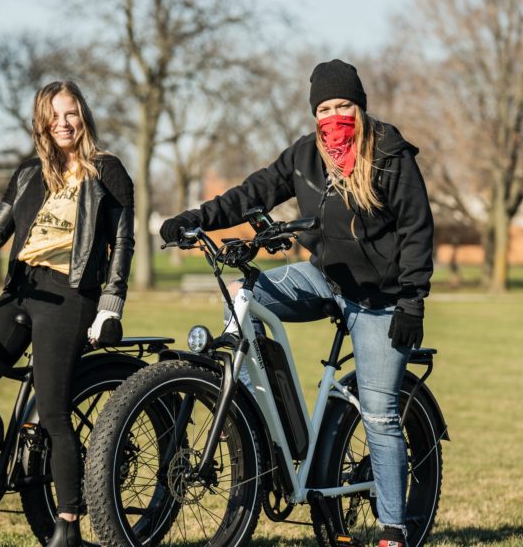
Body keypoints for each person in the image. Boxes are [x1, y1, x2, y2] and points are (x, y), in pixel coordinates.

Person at [159, 59, 433, 547]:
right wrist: (197, 217)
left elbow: (416, 229)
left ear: (360, 107)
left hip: (382, 300)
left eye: (343, 105)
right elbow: (255, 192)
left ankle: (394, 528)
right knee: (246, 298)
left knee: (379, 410)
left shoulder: (389, 153)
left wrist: (412, 301)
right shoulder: (306, 157)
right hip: (325, 279)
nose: (334, 116)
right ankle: (254, 422)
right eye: (324, 108)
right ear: (314, 114)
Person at [0, 80, 134, 547]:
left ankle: (68, 525)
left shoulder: (107, 171)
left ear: (84, 116)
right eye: (54, 115)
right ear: (41, 121)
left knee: (54, 411)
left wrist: (110, 305)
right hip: (20, 292)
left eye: (71, 112)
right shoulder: (26, 175)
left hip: (70, 296)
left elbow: (122, 243)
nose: (63, 122)